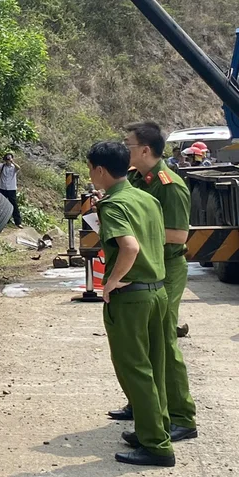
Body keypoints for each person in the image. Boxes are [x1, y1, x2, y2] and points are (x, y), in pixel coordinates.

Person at [106, 123, 198, 443]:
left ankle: (182, 416)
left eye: (128, 145)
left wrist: (134, 237)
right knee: (137, 342)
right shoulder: (134, 178)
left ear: (145, 150)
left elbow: (178, 235)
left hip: (166, 268)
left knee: (164, 341)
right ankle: (143, 404)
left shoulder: (170, 186)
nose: (124, 149)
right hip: (145, 266)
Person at [88, 141, 175, 467]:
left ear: (99, 170)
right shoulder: (148, 198)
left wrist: (110, 282)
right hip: (157, 292)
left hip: (131, 299)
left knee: (135, 370)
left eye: (90, 169)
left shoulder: (113, 205)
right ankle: (155, 430)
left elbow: (129, 247)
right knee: (155, 368)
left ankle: (156, 446)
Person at [0, 153, 22, 228]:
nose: (8, 161)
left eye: (9, 159)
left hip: (11, 188)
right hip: (2, 187)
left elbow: (18, 168)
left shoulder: (14, 167)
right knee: (0, 204)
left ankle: (18, 222)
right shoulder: (2, 166)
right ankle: (1, 220)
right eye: (7, 159)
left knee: (14, 205)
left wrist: (12, 162)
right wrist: (0, 158)